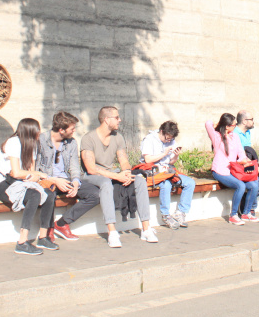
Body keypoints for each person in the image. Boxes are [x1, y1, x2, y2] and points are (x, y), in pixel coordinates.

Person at [80, 106, 156, 248]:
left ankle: (146, 228)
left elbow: (124, 161)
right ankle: (112, 232)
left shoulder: (118, 137)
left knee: (139, 181)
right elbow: (91, 168)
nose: (119, 120)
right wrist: (117, 177)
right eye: (116, 117)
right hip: (92, 176)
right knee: (106, 183)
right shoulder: (88, 138)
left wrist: (126, 173)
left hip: (112, 172)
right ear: (106, 120)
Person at [0, 118, 58, 255]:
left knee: (49, 194)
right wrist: (35, 175)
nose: (39, 133)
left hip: (19, 182)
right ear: (30, 131)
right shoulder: (13, 143)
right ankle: (22, 241)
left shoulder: (32, 144)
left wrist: (34, 176)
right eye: (37, 130)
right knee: (34, 195)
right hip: (2, 184)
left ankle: (43, 237)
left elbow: (29, 170)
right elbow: (16, 172)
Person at [36, 111, 100, 242]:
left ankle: (62, 223)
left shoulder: (71, 143)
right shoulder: (41, 140)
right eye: (72, 128)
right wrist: (52, 180)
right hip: (47, 179)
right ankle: (48, 228)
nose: (74, 131)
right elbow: (35, 168)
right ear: (61, 130)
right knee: (49, 193)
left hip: (66, 179)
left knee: (95, 194)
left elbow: (74, 166)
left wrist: (76, 182)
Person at [141, 120, 195, 229]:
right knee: (166, 185)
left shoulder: (171, 141)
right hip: (153, 171)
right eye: (167, 138)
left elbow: (170, 162)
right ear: (162, 132)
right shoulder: (149, 139)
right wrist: (164, 153)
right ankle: (165, 215)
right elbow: (147, 160)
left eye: (171, 139)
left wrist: (175, 156)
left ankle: (180, 212)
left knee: (190, 183)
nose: (169, 141)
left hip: (167, 170)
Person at [206, 113, 257, 225]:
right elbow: (207, 123)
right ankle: (233, 215)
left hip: (234, 170)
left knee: (253, 185)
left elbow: (241, 153)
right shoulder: (217, 136)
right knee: (241, 186)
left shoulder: (235, 136)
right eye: (233, 125)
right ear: (227, 126)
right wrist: (217, 124)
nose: (235, 127)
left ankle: (246, 213)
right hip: (220, 170)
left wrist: (243, 160)